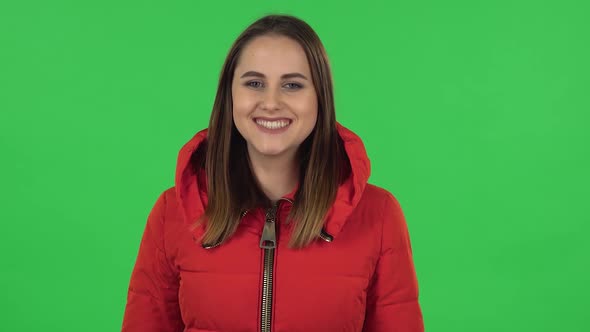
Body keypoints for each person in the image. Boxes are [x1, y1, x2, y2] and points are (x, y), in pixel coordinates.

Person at [121, 14, 424, 332]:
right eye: (254, 83)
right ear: (230, 96)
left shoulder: (379, 215)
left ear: (320, 99)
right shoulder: (173, 213)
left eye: (292, 85)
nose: (271, 102)